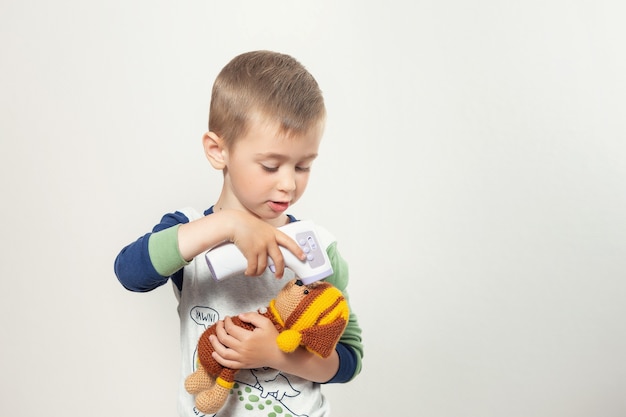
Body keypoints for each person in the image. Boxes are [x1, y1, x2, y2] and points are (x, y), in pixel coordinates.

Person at [114, 50, 363, 416]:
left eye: (303, 166)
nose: (288, 184)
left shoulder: (318, 247)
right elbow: (129, 272)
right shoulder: (190, 230)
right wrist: (227, 225)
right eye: (270, 165)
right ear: (218, 151)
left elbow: (349, 357)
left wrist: (277, 354)